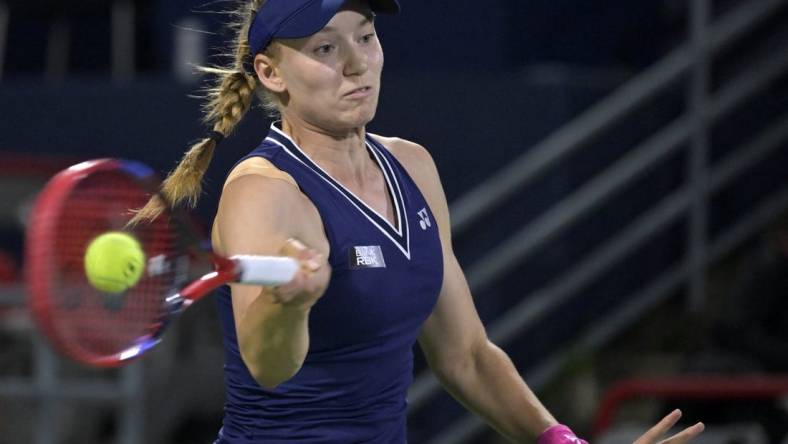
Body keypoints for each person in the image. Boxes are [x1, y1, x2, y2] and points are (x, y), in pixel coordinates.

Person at [135, 1, 706, 442]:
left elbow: (466, 355)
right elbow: (268, 367)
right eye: (326, 49)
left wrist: (560, 437)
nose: (358, 63)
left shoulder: (412, 165)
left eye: (366, 36)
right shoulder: (263, 192)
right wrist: (291, 305)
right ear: (271, 72)